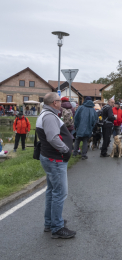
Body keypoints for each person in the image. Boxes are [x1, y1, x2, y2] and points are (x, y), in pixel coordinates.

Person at [36, 92, 75, 238]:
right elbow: (53, 138)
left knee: (52, 191)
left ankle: (50, 222)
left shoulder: (45, 114)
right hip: (55, 159)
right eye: (59, 101)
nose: (61, 103)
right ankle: (57, 228)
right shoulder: (49, 116)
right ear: (54, 103)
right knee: (60, 193)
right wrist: (65, 149)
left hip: (50, 158)